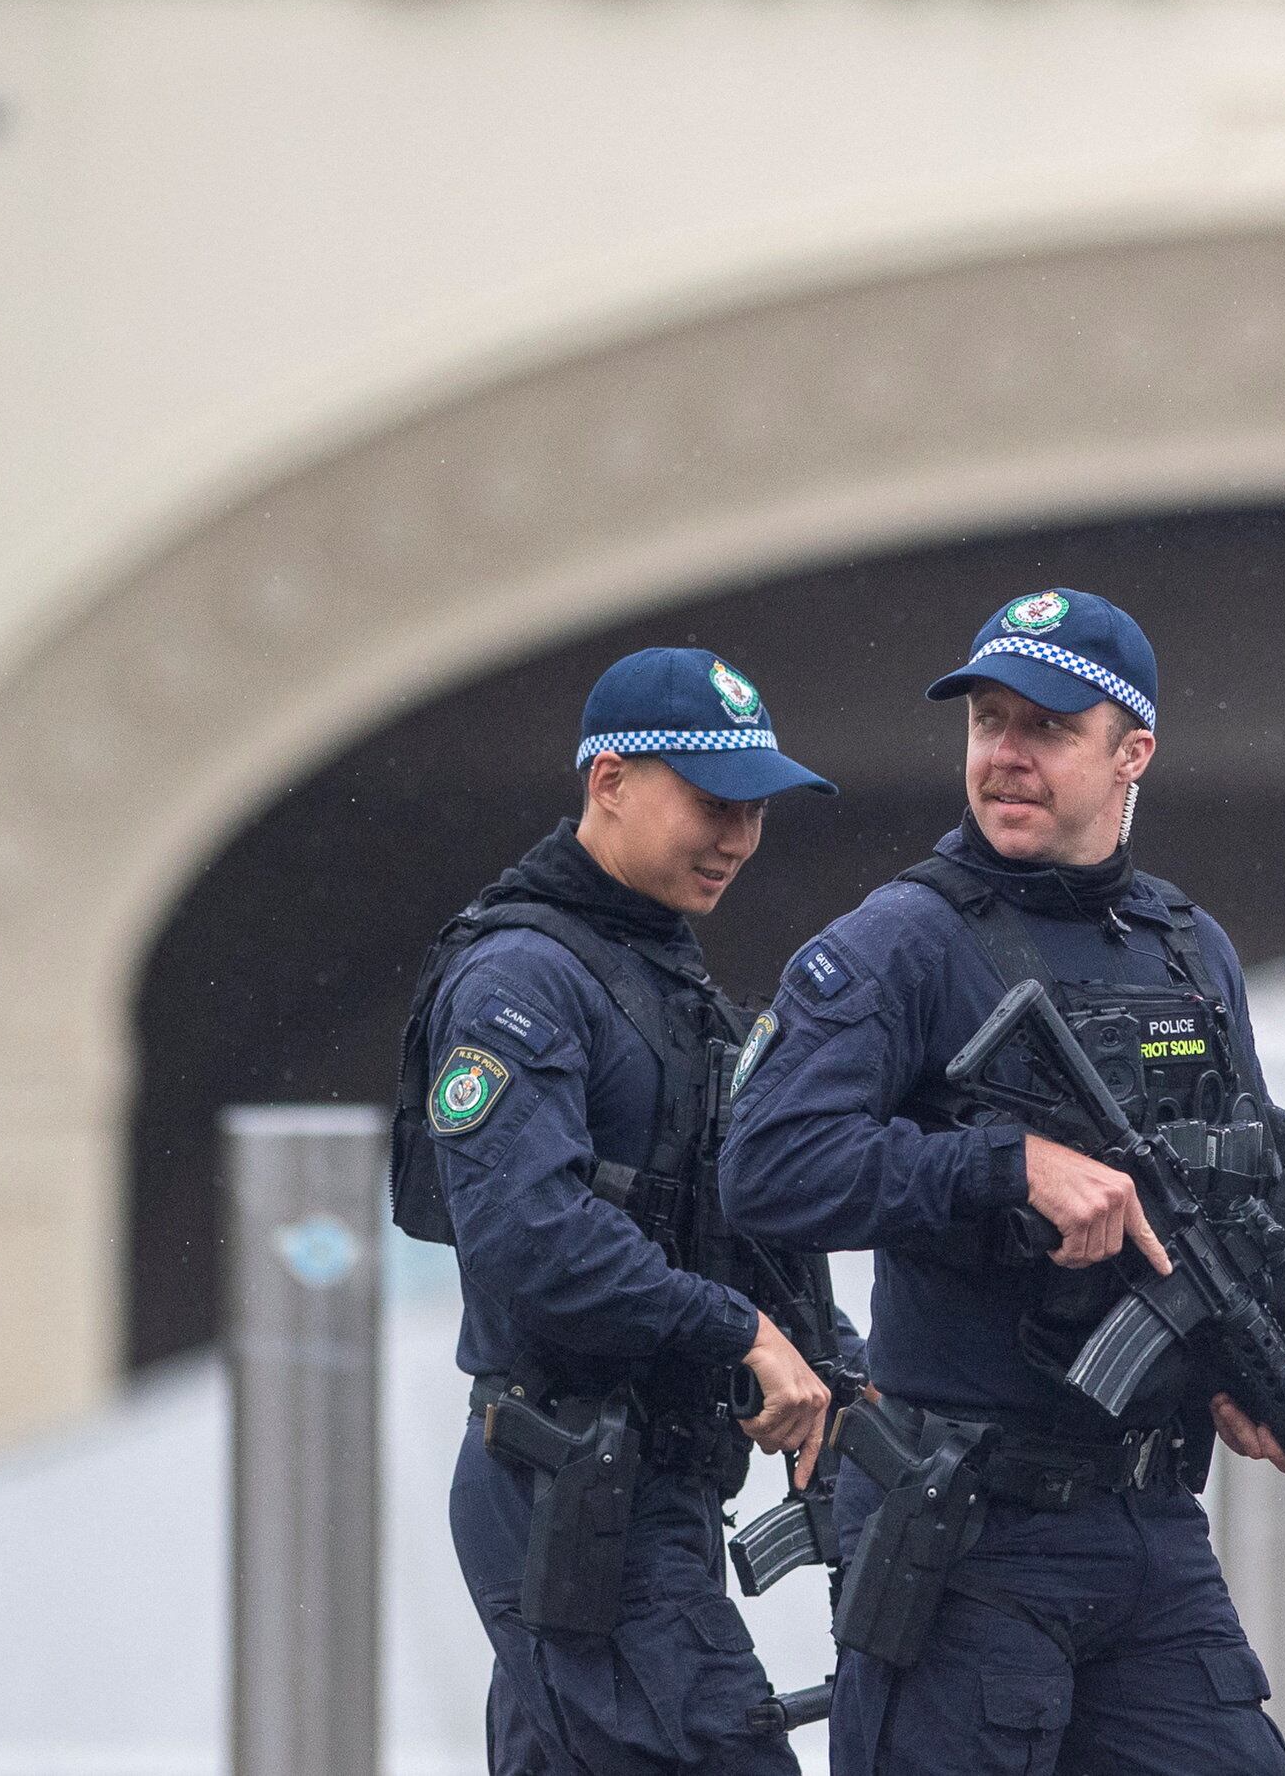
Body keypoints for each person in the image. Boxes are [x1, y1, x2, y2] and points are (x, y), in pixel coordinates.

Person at [719, 588, 1285, 1776]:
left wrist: (1269, 1354)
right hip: (966, 1530)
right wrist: (1006, 1168)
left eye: (1046, 727)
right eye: (989, 722)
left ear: (1131, 751)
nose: (1006, 756)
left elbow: (1242, 1181)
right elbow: (767, 1164)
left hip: (1145, 1520)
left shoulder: (1186, 948)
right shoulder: (902, 941)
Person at [391, 646, 844, 1776]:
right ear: (609, 781)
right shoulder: (521, 977)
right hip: (572, 1485)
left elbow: (730, 1219)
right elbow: (529, 1233)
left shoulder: (656, 974)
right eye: (712, 800)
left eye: (756, 808)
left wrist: (841, 1364)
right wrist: (738, 1333)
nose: (737, 835)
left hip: (644, 1489)